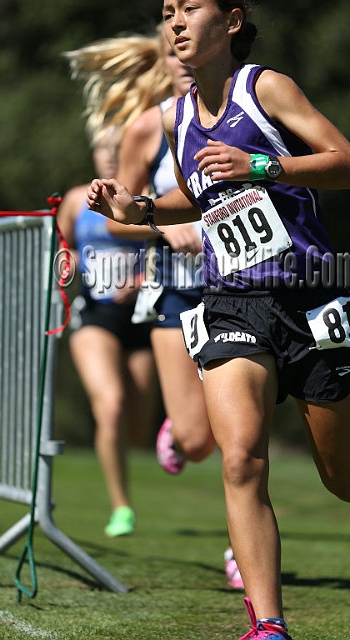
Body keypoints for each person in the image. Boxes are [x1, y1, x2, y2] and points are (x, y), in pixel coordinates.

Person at [86, 0, 350, 639]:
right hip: (232, 303)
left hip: (310, 301)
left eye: (187, 8)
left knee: (345, 474)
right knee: (240, 456)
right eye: (166, 13)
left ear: (232, 21)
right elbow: (199, 194)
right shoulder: (176, 118)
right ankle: (269, 625)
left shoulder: (265, 88)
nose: (175, 23)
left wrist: (263, 166)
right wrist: (138, 206)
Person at [67, 29, 243, 588]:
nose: (186, 59)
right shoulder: (149, 127)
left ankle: (242, 548)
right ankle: (177, 431)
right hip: (178, 285)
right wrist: (167, 232)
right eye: (173, 51)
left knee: (240, 437)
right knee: (197, 440)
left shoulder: (245, 110)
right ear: (164, 64)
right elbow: (117, 217)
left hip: (241, 285)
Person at [58, 127, 159, 538]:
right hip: (95, 314)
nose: (112, 157)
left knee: (138, 430)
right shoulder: (74, 199)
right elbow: (62, 244)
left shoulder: (146, 196)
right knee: (111, 407)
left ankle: (165, 438)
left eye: (119, 150)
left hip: (142, 316)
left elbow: (167, 243)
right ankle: (121, 507)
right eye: (105, 150)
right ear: (96, 154)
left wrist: (138, 279)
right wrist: (64, 261)